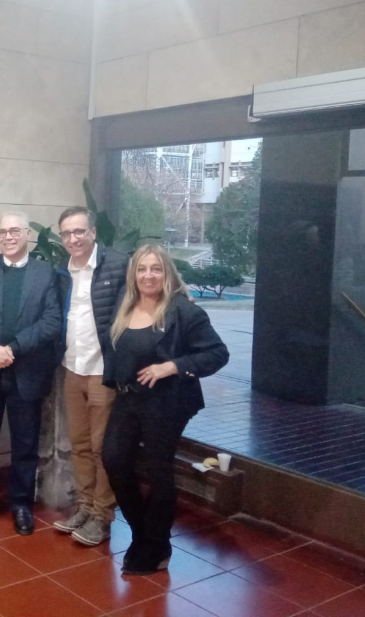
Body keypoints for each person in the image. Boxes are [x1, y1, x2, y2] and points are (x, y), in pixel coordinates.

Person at [102, 244, 229, 575]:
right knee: (113, 460)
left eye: (156, 269)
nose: (148, 275)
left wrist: (171, 366)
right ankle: (144, 534)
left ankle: (155, 544)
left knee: (159, 471)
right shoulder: (125, 303)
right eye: (142, 269)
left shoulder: (184, 311)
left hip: (167, 402)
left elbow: (218, 354)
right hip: (129, 399)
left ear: (167, 273)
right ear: (134, 274)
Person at [0, 211, 62, 535]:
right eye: (2, 231)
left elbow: (51, 322)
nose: (8, 237)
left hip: (26, 374)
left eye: (14, 231)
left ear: (28, 235)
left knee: (25, 444)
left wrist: (14, 348)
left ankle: (21, 504)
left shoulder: (45, 273)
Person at [52, 207, 128, 546]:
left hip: (102, 373)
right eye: (67, 233)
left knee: (102, 449)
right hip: (72, 368)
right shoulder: (62, 273)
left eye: (79, 231)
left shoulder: (116, 265)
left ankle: (102, 515)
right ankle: (84, 506)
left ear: (93, 232)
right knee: (79, 445)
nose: (73, 239)